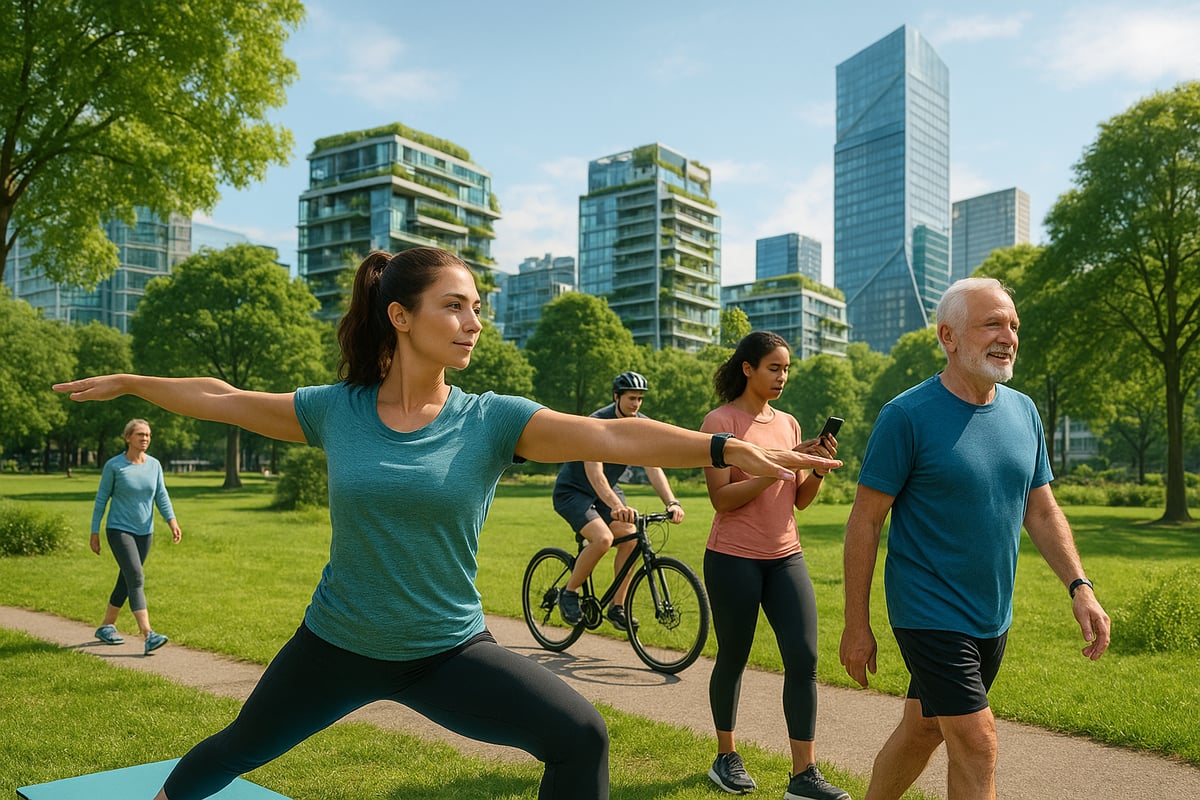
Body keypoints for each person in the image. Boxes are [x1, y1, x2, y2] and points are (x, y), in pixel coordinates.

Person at [54, 246, 842, 800]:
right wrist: (131, 380)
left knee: (582, 737)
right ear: (400, 316)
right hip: (336, 643)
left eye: (478, 309)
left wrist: (722, 444)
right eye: (455, 306)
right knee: (233, 749)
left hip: (445, 650)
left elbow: (611, 435)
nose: (474, 322)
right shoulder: (338, 411)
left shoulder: (492, 419)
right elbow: (220, 396)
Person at [838, 277, 1111, 800]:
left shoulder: (1023, 411)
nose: (1007, 335)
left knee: (923, 728)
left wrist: (1081, 586)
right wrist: (856, 624)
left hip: (992, 613)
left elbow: (1041, 507)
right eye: (992, 324)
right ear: (949, 336)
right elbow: (865, 520)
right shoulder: (906, 416)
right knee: (978, 743)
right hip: (928, 611)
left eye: (1013, 325)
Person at [700, 331, 850, 800]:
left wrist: (815, 468)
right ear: (748, 368)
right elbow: (722, 499)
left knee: (803, 659)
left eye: (786, 369)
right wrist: (772, 468)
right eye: (774, 368)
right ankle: (725, 757)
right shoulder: (719, 422)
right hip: (732, 558)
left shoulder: (787, 424)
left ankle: (804, 776)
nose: (782, 376)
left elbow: (800, 500)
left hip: (786, 557)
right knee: (734, 656)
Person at [551, 371, 686, 631]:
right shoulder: (597, 423)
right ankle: (569, 592)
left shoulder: (641, 426)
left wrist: (672, 501)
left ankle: (617, 606)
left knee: (633, 539)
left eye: (640, 399)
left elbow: (653, 467)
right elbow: (594, 472)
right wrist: (617, 506)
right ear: (616, 397)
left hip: (607, 492)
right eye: (631, 398)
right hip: (574, 491)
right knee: (602, 539)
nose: (636, 404)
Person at [89, 418, 181, 656]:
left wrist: (172, 522)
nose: (145, 439)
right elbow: (101, 500)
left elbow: (161, 495)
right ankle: (148, 634)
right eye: (140, 434)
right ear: (127, 437)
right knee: (136, 577)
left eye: (148, 435)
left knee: (126, 579)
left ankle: (106, 626)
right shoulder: (114, 466)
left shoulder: (154, 465)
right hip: (119, 529)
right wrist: (94, 531)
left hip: (145, 532)